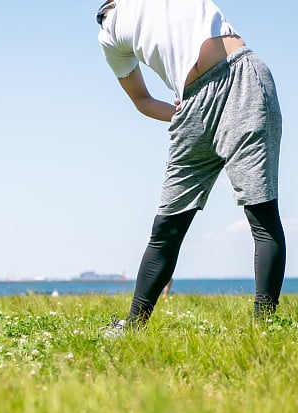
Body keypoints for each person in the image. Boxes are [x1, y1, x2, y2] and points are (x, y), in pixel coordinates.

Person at [97, 0, 286, 333]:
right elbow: (142, 100)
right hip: (192, 107)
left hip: (238, 80)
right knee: (166, 227)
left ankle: (264, 329)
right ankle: (133, 326)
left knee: (261, 211)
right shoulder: (108, 35)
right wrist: (183, 116)